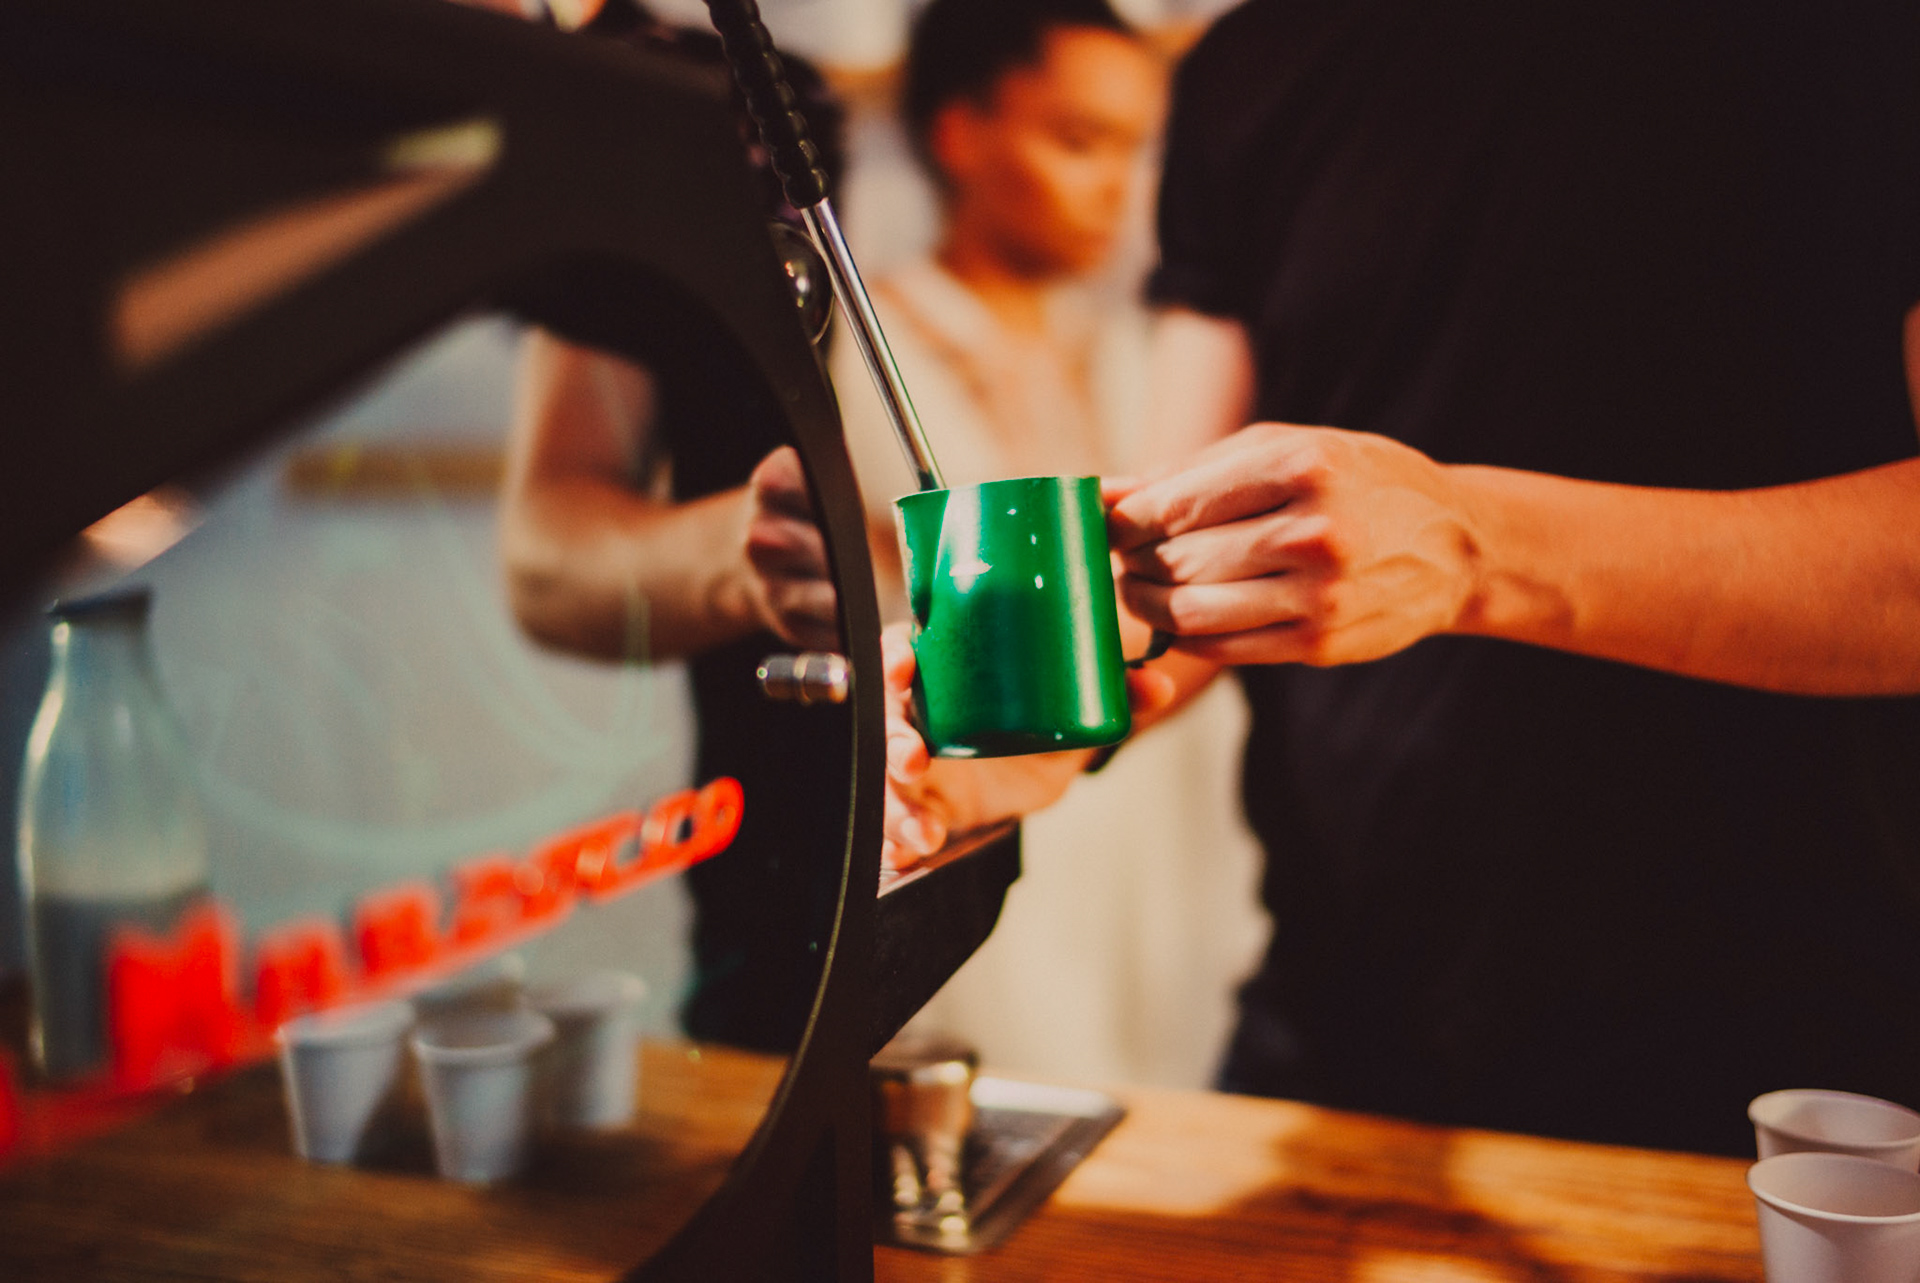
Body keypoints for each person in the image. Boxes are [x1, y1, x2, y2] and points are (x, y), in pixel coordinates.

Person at [882, 0, 1920, 1155]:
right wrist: (1034, 733)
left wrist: (1476, 543)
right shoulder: (1250, 68)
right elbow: (1175, 572)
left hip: (1798, 1057)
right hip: (1342, 1015)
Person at [835, 0, 1267, 1087]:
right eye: (1080, 140)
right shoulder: (857, 353)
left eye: (1136, 148)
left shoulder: (1158, 348)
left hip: (1173, 807)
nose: (1116, 186)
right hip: (993, 812)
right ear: (960, 130)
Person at [500, 0, 850, 1052]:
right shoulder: (666, 116)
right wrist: (766, 560)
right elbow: (548, 554)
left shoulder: (771, 105)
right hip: (804, 888)